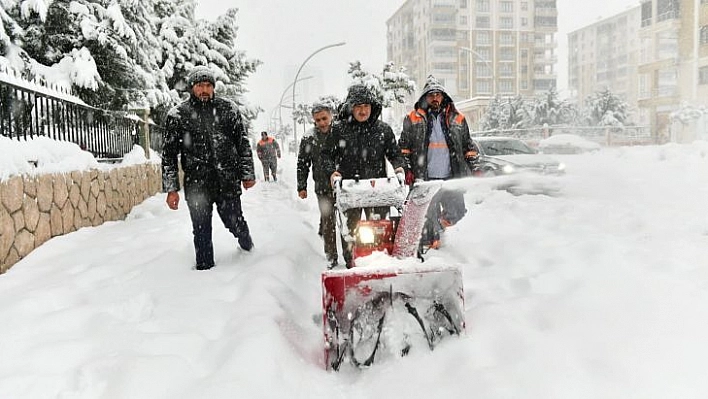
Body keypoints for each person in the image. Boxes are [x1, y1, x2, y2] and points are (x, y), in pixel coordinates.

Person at [162, 65, 256, 270]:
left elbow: (242, 143)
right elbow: (169, 155)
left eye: (208, 85)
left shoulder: (228, 109)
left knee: (235, 223)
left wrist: (247, 173)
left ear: (213, 87)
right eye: (199, 85)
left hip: (227, 179)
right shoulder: (178, 115)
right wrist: (171, 189)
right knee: (201, 230)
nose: (204, 90)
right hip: (197, 184)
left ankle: (248, 250)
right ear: (191, 88)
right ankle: (204, 273)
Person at [324, 84, 405, 268]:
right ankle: (351, 265)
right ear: (351, 107)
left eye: (366, 106)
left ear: (372, 107)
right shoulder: (339, 130)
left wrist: (399, 168)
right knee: (351, 232)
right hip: (350, 189)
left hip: (378, 190)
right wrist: (332, 172)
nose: (363, 110)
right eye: (358, 106)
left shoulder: (383, 130)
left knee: (379, 232)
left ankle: (379, 265)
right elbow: (326, 155)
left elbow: (395, 153)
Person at [398, 75, 479, 250]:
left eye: (438, 94)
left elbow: (468, 145)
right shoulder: (412, 119)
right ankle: (432, 252)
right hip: (425, 179)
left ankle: (441, 230)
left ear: (443, 97)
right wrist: (407, 170)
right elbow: (403, 149)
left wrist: (474, 166)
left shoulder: (457, 118)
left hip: (450, 177)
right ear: (424, 97)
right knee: (427, 217)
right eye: (431, 94)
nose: (435, 98)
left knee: (457, 212)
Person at [297, 102, 339, 268]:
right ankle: (331, 256)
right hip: (322, 186)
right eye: (317, 120)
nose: (322, 123)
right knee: (329, 220)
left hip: (343, 184)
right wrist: (302, 186)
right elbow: (303, 163)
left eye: (324, 118)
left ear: (331, 116)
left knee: (343, 219)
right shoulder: (309, 138)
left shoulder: (340, 133)